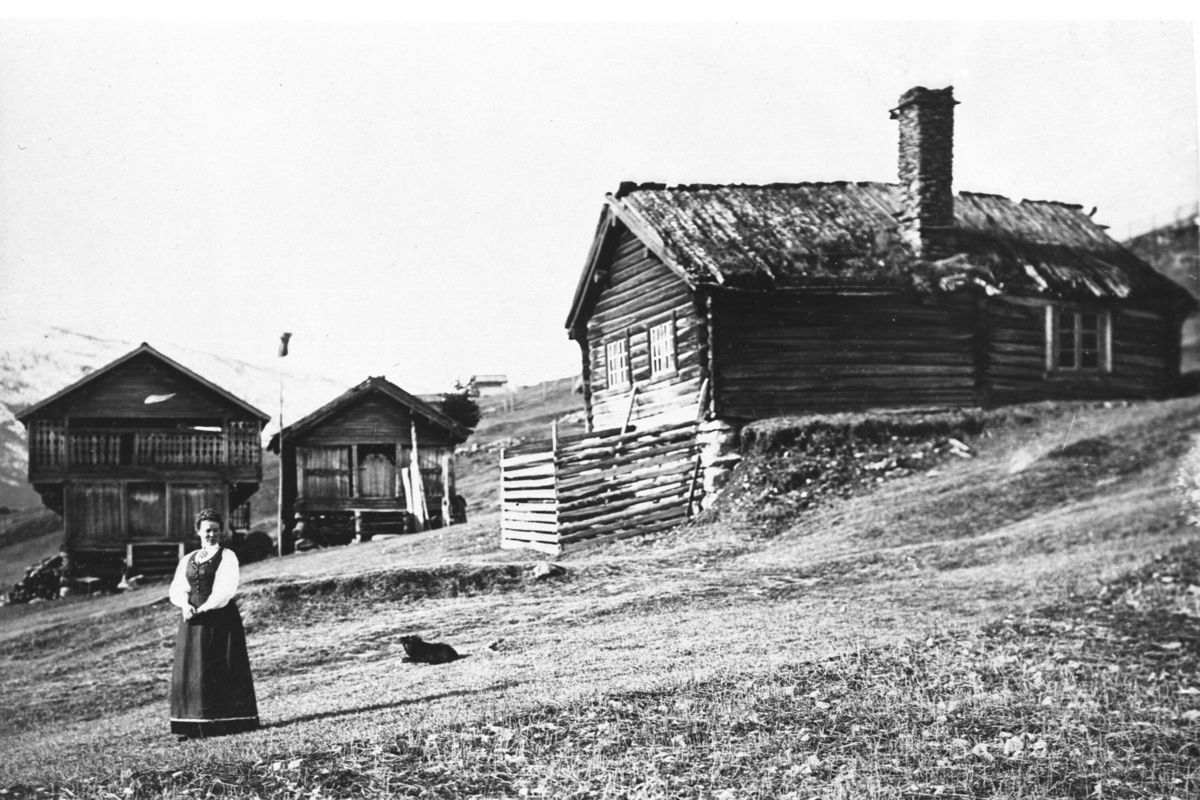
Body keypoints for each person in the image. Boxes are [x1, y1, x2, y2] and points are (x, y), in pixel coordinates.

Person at [169, 508, 260, 739]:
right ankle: (192, 725)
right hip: (192, 618)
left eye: (216, 531)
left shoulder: (227, 556)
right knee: (193, 667)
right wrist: (185, 605)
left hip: (218, 616)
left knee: (218, 665)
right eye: (207, 530)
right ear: (198, 531)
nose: (212, 534)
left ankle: (226, 722)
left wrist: (205, 608)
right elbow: (178, 587)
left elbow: (225, 590)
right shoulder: (188, 559)